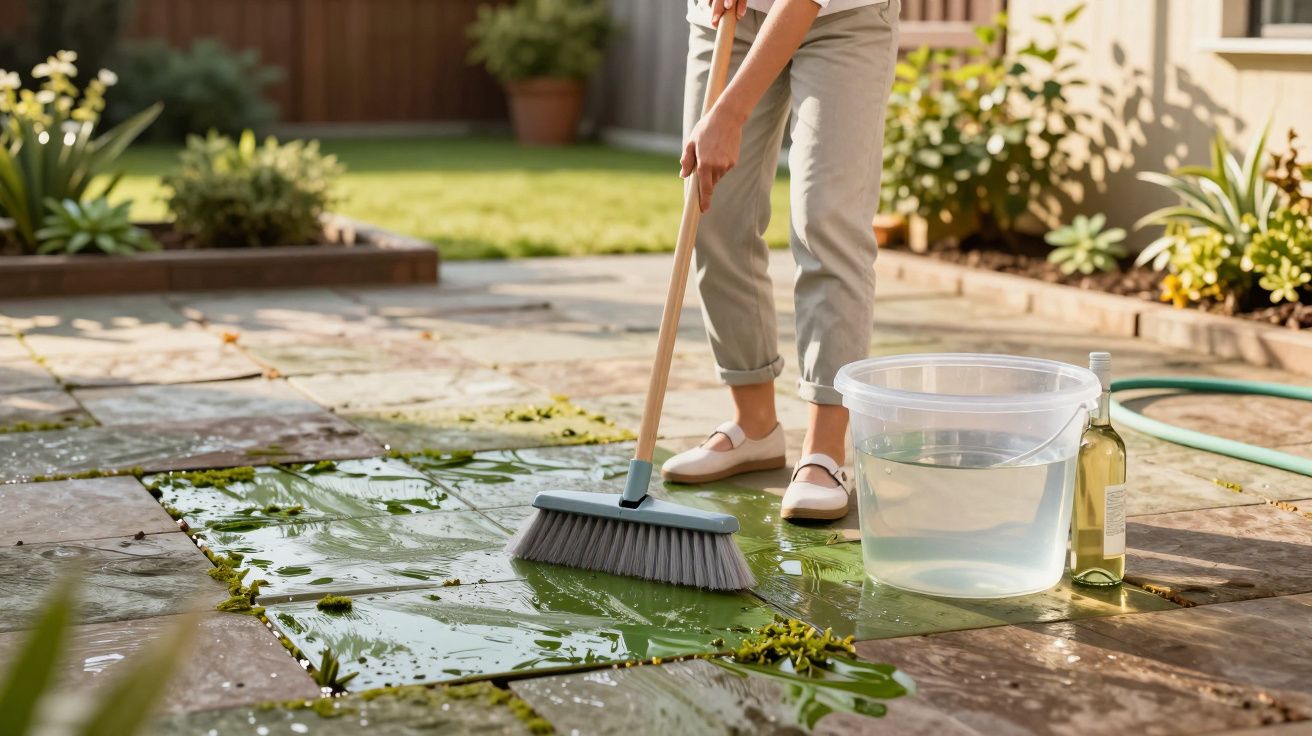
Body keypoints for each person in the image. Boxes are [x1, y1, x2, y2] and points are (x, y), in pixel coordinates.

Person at [661, 0, 900, 521]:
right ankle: (755, 427)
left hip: (843, 18)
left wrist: (728, 111)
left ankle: (824, 452)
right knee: (711, 213)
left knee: (825, 221)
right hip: (729, 16)